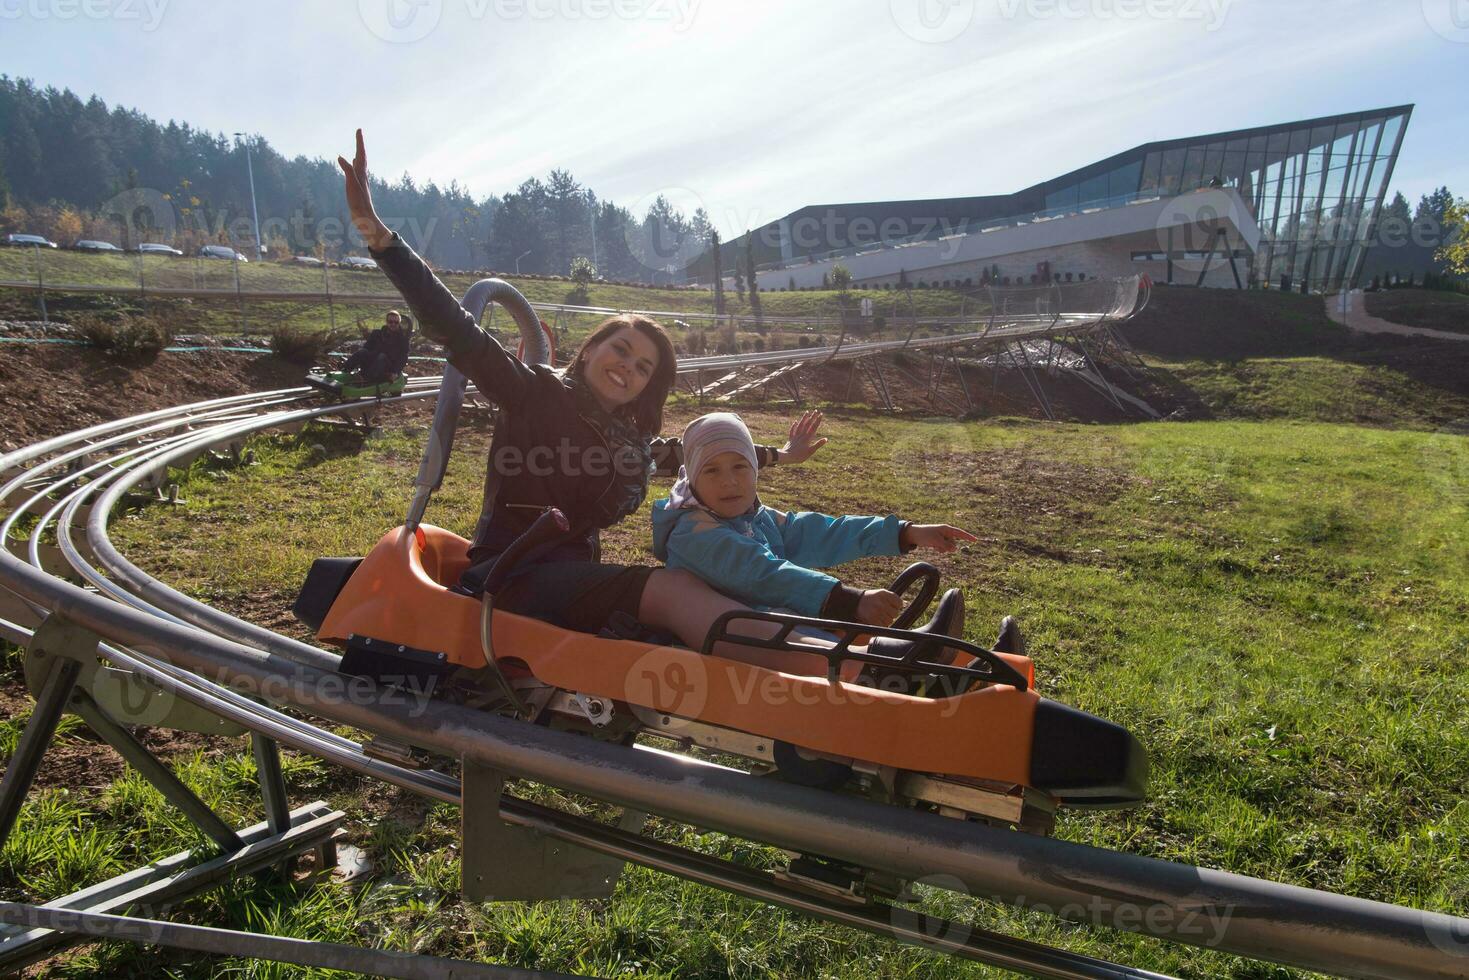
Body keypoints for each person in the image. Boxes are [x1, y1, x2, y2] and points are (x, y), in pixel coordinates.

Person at [337, 130, 830, 649]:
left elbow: (692, 457)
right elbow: (457, 329)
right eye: (620, 350)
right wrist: (380, 238)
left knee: (688, 590)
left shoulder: (629, 438)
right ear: (591, 350)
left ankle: (832, 647)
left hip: (564, 577)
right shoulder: (535, 394)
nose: (628, 368)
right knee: (672, 589)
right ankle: (825, 673)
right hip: (514, 577)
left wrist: (781, 456)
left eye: (642, 367)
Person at [652, 412, 977, 627]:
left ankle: (943, 667)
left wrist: (906, 533)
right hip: (726, 642)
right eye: (711, 470)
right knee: (821, 635)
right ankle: (893, 665)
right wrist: (845, 600)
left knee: (818, 627)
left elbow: (819, 532)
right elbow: (761, 573)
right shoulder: (693, 532)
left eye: (740, 466)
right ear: (692, 479)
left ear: (755, 470)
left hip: (759, 627)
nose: (729, 481)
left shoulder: (754, 518)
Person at [340, 308, 410, 384]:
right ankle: (345, 370)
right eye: (390, 322)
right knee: (363, 351)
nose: (393, 324)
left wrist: (395, 372)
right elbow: (367, 347)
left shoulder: (402, 339)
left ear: (399, 323)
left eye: (396, 322)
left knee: (382, 356)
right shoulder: (377, 334)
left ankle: (366, 378)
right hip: (374, 359)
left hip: (388, 365)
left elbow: (403, 357)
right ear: (386, 322)